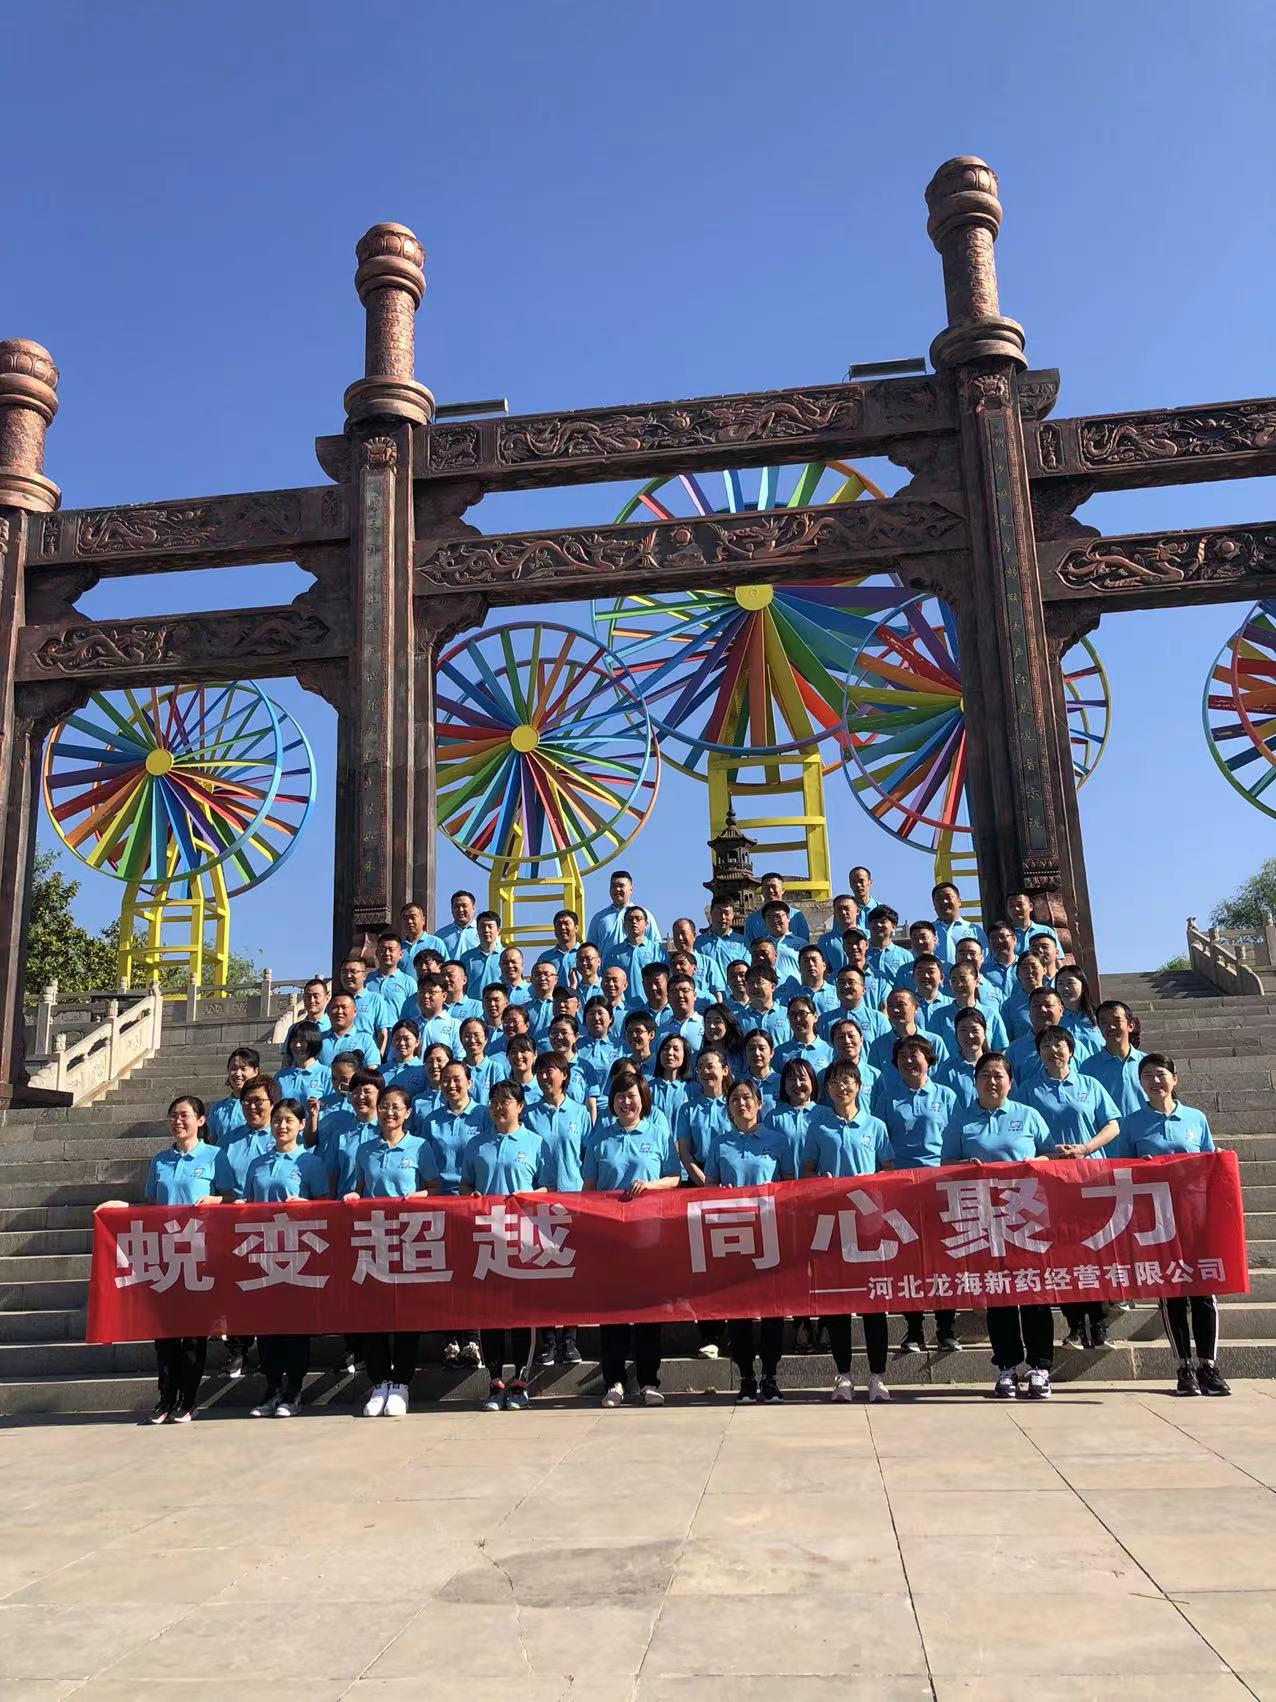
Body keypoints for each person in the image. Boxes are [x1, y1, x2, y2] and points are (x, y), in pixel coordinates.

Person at [940, 1052, 1056, 1399]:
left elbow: (1052, 1155)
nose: (992, 1082)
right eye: (985, 1076)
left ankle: (1040, 1367)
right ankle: (1006, 1366)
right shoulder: (962, 1120)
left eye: (999, 1076)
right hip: (985, 1220)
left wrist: (1036, 1162)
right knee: (1000, 1294)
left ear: (1010, 1081)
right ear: (974, 1081)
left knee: (1034, 1292)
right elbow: (946, 1163)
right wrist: (965, 1166)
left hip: (1026, 1218)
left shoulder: (1028, 1115)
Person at [1119, 1052, 1231, 1397]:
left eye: (1161, 1074)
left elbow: (1210, 1162)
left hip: (1195, 1216)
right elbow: (1120, 1171)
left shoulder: (1195, 1118)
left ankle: (1208, 1366)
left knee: (1203, 1292)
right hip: (1157, 1221)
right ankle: (1184, 1367)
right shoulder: (1131, 1123)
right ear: (1140, 1083)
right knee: (1172, 1294)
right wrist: (1141, 1167)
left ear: (1174, 1079)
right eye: (1147, 1076)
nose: (1155, 1081)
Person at [121, 1095, 230, 1424]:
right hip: (166, 1255)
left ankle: (189, 1399)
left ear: (201, 1120)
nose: (177, 1121)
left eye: (184, 1115)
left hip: (200, 1254)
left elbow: (232, 1198)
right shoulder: (160, 1160)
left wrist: (214, 1200)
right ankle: (165, 1397)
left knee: (193, 1334)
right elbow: (152, 1206)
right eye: (172, 1116)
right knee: (165, 1333)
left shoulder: (215, 1156)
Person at [1020, 1023, 1122, 1351]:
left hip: (1092, 1178)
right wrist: (1049, 1155)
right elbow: (1022, 1134)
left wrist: (1086, 1148)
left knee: (1095, 1250)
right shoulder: (1028, 1089)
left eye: (1059, 1044)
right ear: (1038, 1054)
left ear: (1071, 1050)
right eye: (1046, 1046)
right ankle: (1075, 1324)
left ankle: (1099, 1323)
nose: (1053, 1050)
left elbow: (1112, 1125)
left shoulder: (1090, 1085)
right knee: (1064, 1253)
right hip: (1052, 1183)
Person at [583, 1069, 681, 1406]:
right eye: (620, 1096)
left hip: (649, 1235)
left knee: (648, 1313)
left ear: (643, 1101)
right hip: (610, 1236)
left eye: (632, 1097)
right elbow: (589, 1187)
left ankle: (649, 1380)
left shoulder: (658, 1134)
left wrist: (648, 1186)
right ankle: (614, 1381)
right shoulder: (600, 1138)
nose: (626, 1102)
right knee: (613, 1314)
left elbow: (674, 1177)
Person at [345, 1082, 438, 1417]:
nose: (389, 1112)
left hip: (408, 1238)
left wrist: (417, 1197)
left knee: (405, 1314)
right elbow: (360, 1187)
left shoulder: (420, 1147)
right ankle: (380, 1380)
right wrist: (354, 1197)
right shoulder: (365, 1149)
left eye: (396, 1107)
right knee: (374, 1313)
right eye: (384, 1106)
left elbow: (434, 1188)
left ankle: (401, 1383)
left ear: (408, 1112)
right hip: (373, 1238)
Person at [803, 1061, 894, 1401]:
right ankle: (843, 1375)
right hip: (833, 1225)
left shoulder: (876, 1126)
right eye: (835, 1083)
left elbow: (888, 1170)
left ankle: (877, 1376)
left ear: (858, 1085)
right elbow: (806, 1171)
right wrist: (820, 1181)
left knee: (874, 1304)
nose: (842, 1087)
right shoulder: (818, 1128)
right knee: (838, 1303)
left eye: (847, 1081)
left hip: (868, 1225)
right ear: (826, 1089)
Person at [460, 1079, 550, 1410]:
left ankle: (521, 1381)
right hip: (488, 1237)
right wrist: (471, 1196)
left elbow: (548, 1187)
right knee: (491, 1312)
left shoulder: (536, 1142)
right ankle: (495, 1382)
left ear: (520, 1106)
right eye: (495, 1101)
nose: (500, 1106)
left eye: (507, 1101)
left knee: (524, 1312)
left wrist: (528, 1196)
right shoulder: (476, 1145)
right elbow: (466, 1185)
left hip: (524, 1237)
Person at [703, 1078, 791, 1403]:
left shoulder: (777, 1141)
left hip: (770, 1232)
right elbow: (709, 1187)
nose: (741, 1104)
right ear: (727, 1108)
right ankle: (745, 1377)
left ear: (759, 1103)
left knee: (771, 1310)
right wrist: (718, 1193)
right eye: (735, 1100)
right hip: (733, 1234)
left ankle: (770, 1375)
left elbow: (790, 1185)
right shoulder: (720, 1144)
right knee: (738, 1311)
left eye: (747, 1098)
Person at [875, 1035, 961, 1353]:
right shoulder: (886, 1099)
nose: (909, 1061)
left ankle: (946, 1328)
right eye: (903, 1056)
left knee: (943, 1258)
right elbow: (880, 1143)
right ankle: (913, 1329)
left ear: (929, 1059)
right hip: (901, 1188)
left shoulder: (947, 1095)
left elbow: (956, 1138)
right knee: (908, 1259)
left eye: (915, 1055)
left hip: (939, 1185)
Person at [244, 1097, 329, 1417]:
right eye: (277, 1120)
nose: (282, 1126)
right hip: (263, 1252)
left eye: (289, 1121)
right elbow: (248, 1203)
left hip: (298, 1254)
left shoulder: (310, 1163)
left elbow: (325, 1206)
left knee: (294, 1326)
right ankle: (272, 1388)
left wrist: (306, 1206)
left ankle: (293, 1391)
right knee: (266, 1327)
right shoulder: (258, 1163)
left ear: (301, 1125)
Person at [525, 1050, 591, 1369]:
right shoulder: (529, 1114)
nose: (544, 1076)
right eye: (539, 1071)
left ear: (564, 1075)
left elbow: (587, 1156)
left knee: (571, 1275)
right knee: (544, 1275)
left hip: (573, 1201)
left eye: (550, 1070)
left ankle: (570, 1339)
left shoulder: (580, 1113)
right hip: (539, 1204)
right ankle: (549, 1341)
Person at [420, 1059, 486, 1369]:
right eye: (446, 1079)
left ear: (470, 1082)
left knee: (472, 1271)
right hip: (440, 1202)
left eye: (457, 1079)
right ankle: (450, 1339)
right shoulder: (431, 1120)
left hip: (473, 1201)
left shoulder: (483, 1114)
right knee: (445, 1272)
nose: (451, 1084)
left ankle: (472, 1339)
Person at [771, 1058, 825, 1355]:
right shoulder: (773, 1117)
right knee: (796, 1264)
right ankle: (802, 1323)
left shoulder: (825, 1114)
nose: (797, 1084)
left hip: (821, 1200)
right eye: (791, 1079)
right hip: (788, 1201)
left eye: (803, 1078)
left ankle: (827, 1322)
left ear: (813, 1082)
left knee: (824, 1261)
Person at [869, 989, 951, 1095]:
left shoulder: (934, 1041)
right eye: (890, 1006)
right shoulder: (879, 1045)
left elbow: (946, 1077)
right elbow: (874, 1082)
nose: (895, 1010)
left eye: (901, 1005)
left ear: (915, 1007)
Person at [1081, 999, 1148, 1114]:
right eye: (1104, 1023)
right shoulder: (1089, 1067)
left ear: (1130, 1026)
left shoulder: (1146, 1063)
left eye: (1117, 1021)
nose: (1111, 1027)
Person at [930, 961, 1009, 1055]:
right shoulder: (940, 1015)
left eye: (963, 979)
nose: (958, 984)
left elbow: (999, 1051)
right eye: (954, 980)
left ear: (977, 981)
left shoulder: (991, 1014)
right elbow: (934, 1049)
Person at [588, 869, 662, 952]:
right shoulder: (599, 918)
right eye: (613, 886)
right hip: (607, 960)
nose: (617, 889)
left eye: (621, 886)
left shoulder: (643, 915)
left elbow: (656, 945)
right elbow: (590, 949)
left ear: (631, 888)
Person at [933, 1006, 990, 1108]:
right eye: (963, 1030)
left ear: (984, 1032)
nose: (970, 1036)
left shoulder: (997, 1066)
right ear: (956, 1034)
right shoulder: (947, 1070)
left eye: (975, 1030)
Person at [818, 967, 889, 1048]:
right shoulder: (824, 1020)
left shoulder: (878, 1020)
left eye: (851, 982)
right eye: (841, 982)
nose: (845, 986)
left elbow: (886, 1051)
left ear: (863, 989)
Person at [603, 905, 665, 987]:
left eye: (638, 919)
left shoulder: (657, 949)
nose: (634, 922)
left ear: (646, 924)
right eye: (630, 919)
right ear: (624, 925)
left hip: (650, 995)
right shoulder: (613, 952)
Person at [931, 881, 989, 968]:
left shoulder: (974, 930)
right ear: (934, 905)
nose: (944, 902)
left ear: (959, 901)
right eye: (939, 899)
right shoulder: (928, 931)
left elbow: (985, 959)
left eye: (948, 897)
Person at [274, 1021, 333, 1105]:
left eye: (302, 1040)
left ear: (313, 1042)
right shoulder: (280, 1076)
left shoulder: (326, 1074)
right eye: (294, 1040)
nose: (297, 1045)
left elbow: (330, 1107)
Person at [826, 1018, 880, 1108]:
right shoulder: (826, 1075)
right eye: (841, 1037)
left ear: (861, 1040)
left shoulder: (875, 1076)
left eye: (851, 1036)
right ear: (833, 1043)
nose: (847, 1041)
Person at [207, 1047, 256, 1145]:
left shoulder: (262, 1107)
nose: (238, 1074)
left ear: (256, 1071)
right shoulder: (217, 1108)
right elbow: (211, 1142)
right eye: (233, 1069)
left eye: (243, 1068)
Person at [774, 996, 834, 1076]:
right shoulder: (779, 1052)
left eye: (802, 1014)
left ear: (815, 1016)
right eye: (792, 1015)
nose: (798, 1019)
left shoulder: (830, 1051)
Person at [743, 872, 810, 944]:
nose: (770, 890)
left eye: (774, 887)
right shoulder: (752, 919)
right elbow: (748, 946)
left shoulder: (797, 916)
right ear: (762, 891)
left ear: (782, 890)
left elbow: (804, 944)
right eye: (767, 887)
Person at [318, 994, 381, 1069]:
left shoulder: (365, 1040)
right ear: (328, 1011)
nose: (339, 1011)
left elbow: (372, 1070)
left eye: (344, 1007)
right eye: (335, 1007)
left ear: (355, 1012)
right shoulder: (318, 1039)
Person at [1054, 967, 1103, 1063]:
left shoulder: (1098, 1017)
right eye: (1060, 983)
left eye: (1070, 983)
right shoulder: (1054, 1020)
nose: (1065, 988)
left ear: (1083, 986)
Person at [278, 980, 331, 1066]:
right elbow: (287, 1059)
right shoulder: (295, 1028)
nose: (311, 1000)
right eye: (308, 996)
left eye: (316, 996)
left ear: (327, 998)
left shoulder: (333, 1026)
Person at [366, 931, 416, 1019]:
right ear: (376, 953)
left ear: (400, 954)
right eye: (382, 949)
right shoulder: (366, 980)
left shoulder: (408, 982)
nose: (387, 953)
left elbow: (413, 1013)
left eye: (391, 950)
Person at [458, 1014, 505, 1103]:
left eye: (476, 1035)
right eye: (467, 1035)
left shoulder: (495, 1068)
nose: (472, 1040)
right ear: (461, 1039)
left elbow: (500, 1100)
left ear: (486, 1039)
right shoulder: (457, 1069)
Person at [741, 966, 791, 1047]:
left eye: (759, 982)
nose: (754, 986)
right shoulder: (739, 1018)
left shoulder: (787, 1015)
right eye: (750, 982)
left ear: (773, 987)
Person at [651, 1033, 693, 1128]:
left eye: (676, 1049)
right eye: (666, 1048)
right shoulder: (647, 1089)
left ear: (685, 1055)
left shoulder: (694, 1089)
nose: (670, 1053)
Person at [460, 910, 505, 996]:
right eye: (482, 926)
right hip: (474, 1003)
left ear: (498, 930)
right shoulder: (466, 957)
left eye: (490, 926)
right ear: (477, 929)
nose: (486, 930)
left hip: (499, 1003)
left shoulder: (506, 956)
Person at [1005, 889, 1061, 957]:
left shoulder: (1046, 931)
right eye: (1011, 906)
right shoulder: (1004, 935)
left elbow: (1058, 958)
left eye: (1020, 905)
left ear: (1031, 906)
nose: (1016, 909)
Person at [381, 1019, 428, 1098]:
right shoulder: (381, 1070)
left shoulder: (424, 1070)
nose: (402, 1043)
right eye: (397, 1039)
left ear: (417, 1042)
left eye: (406, 1039)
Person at [866, 905, 912, 984]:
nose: (878, 925)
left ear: (893, 927)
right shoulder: (860, 952)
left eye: (883, 922)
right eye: (875, 922)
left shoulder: (905, 956)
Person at [535, 907, 581, 984]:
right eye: (559, 924)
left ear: (576, 928)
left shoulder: (586, 955)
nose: (562, 927)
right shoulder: (545, 957)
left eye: (566, 923)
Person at [817, 894, 860, 975]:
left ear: (857, 911)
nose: (843, 912)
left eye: (847, 908)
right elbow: (823, 969)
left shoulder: (868, 936)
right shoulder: (825, 940)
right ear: (834, 913)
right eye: (839, 909)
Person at [701, 1003, 746, 1077]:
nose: (711, 1026)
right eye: (708, 1021)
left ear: (728, 1025)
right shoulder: (699, 1057)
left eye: (717, 1021)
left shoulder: (741, 1055)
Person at [401, 900, 449, 966]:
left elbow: (446, 967)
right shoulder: (398, 946)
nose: (409, 921)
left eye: (413, 917)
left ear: (423, 920)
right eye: (405, 918)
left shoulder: (435, 943)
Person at [436, 889, 480, 960]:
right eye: (456, 906)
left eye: (464, 906)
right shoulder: (440, 936)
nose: (460, 910)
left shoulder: (484, 932)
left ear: (473, 908)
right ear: (451, 909)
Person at [665, 974, 706, 1051]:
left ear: (694, 995)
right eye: (674, 992)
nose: (680, 995)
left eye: (685, 991)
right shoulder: (661, 1030)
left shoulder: (705, 1024)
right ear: (668, 998)